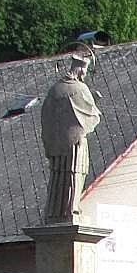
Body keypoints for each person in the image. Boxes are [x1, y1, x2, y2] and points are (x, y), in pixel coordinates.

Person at [40, 50, 101, 224]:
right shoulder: (80, 88)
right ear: (81, 70)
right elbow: (91, 115)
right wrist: (94, 103)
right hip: (76, 143)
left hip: (58, 145)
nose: (85, 75)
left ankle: (56, 210)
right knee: (76, 172)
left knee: (59, 174)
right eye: (85, 71)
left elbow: (46, 116)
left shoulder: (54, 90)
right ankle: (72, 208)